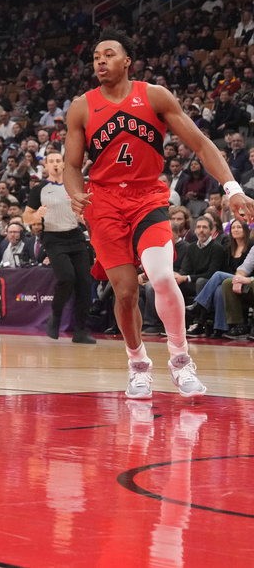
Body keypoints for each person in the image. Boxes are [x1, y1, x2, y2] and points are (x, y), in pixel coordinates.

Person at [63, 29, 254, 399]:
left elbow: (200, 143)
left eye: (108, 54)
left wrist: (232, 188)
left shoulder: (153, 96)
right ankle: (138, 366)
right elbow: (72, 166)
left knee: (164, 277)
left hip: (148, 197)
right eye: (96, 56)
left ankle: (181, 362)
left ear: (127, 61)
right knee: (125, 292)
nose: (100, 61)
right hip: (103, 204)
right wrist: (74, 193)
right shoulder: (82, 106)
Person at [23, 149, 96, 344]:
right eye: (51, 161)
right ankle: (55, 317)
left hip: (75, 235)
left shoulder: (74, 185)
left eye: (58, 161)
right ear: (46, 166)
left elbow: (83, 212)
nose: (55, 164)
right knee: (66, 278)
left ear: (63, 164)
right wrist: (37, 215)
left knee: (84, 282)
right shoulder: (39, 189)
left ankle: (80, 331)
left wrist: (84, 218)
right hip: (53, 239)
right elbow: (26, 217)